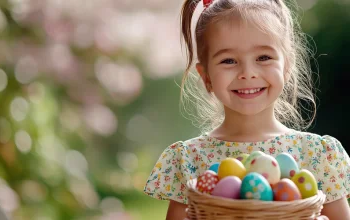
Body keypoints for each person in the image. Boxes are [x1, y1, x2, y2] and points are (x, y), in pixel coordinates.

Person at [143, 0, 350, 219]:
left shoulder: (318, 155)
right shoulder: (188, 160)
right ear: (206, 77)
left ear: (286, 66)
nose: (248, 73)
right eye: (229, 60)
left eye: (263, 57)